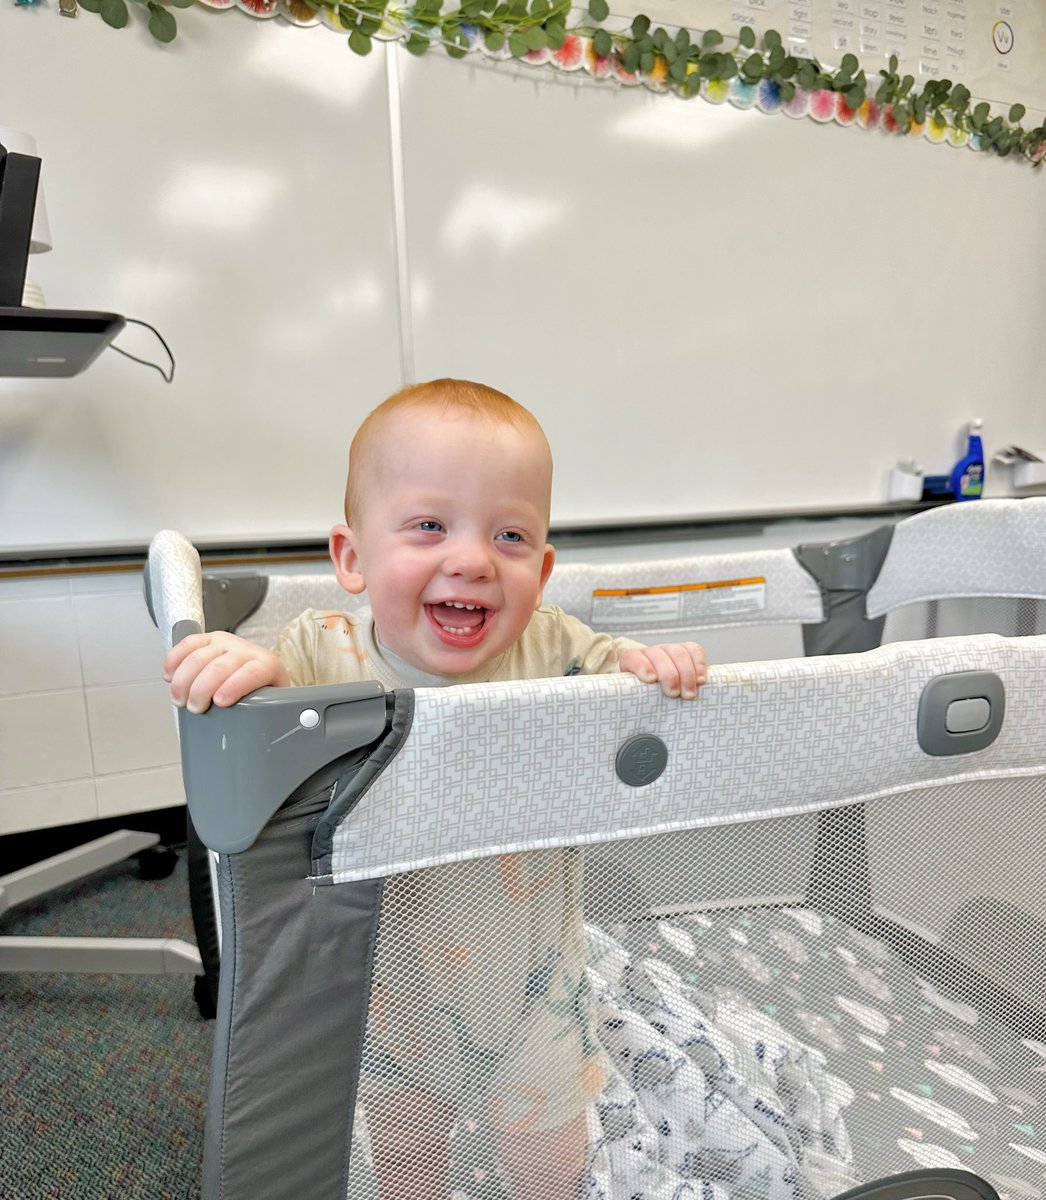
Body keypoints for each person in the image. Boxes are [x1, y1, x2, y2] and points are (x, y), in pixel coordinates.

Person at [164, 379, 707, 1199]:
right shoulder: (324, 648)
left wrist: (650, 667)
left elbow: (615, 672)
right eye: (429, 526)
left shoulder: (553, 645)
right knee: (410, 1160)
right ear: (351, 556)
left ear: (543, 567)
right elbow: (273, 696)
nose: (472, 559)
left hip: (533, 985)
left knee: (549, 1170)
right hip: (391, 990)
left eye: (511, 535)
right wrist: (256, 673)